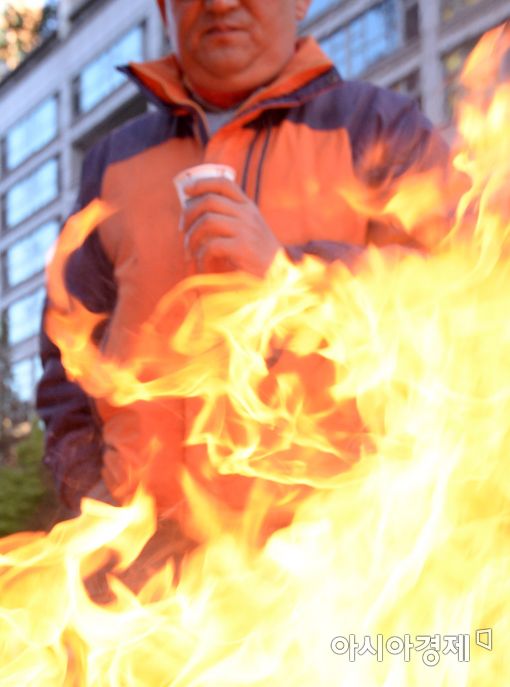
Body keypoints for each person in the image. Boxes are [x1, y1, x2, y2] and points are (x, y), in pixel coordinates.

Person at [37, 0, 451, 520]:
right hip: (142, 545)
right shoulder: (113, 160)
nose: (219, 4)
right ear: (164, 9)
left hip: (329, 541)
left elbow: (462, 303)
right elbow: (65, 348)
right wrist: (87, 485)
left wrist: (290, 277)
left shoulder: (377, 126)